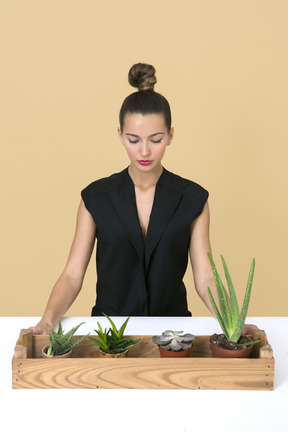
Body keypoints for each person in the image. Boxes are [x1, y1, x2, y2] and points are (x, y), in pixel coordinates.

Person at [30, 63, 255, 335]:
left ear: (170, 136)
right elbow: (73, 274)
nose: (145, 151)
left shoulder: (193, 199)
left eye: (156, 139)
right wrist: (46, 321)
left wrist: (234, 323)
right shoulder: (95, 198)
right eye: (134, 139)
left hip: (174, 334)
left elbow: (206, 277)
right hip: (108, 334)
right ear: (120, 136)